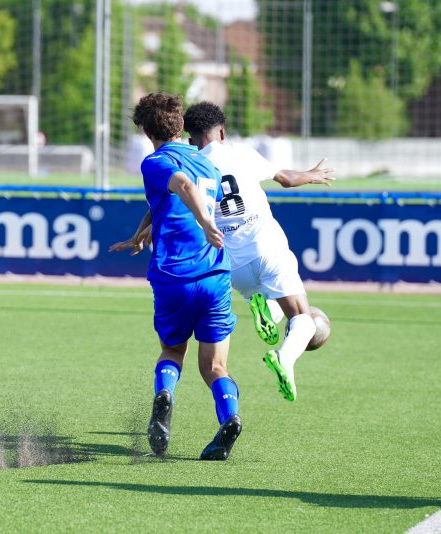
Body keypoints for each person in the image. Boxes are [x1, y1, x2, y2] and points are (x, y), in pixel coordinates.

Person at [114, 102, 334, 403]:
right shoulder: (240, 153)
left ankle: (264, 307)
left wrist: (142, 232)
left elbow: (173, 202)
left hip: (228, 260)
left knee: (253, 291)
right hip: (264, 243)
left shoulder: (193, 162)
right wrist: (312, 174)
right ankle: (285, 358)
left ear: (190, 137)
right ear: (222, 131)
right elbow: (285, 179)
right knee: (303, 316)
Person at [114, 93, 242, 461]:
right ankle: (230, 417)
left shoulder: (154, 162)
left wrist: (204, 223)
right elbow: (166, 201)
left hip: (174, 277)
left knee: (173, 350)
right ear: (181, 126)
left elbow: (181, 188)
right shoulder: (208, 165)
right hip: (215, 274)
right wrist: (144, 229)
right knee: (216, 365)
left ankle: (165, 394)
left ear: (144, 130)